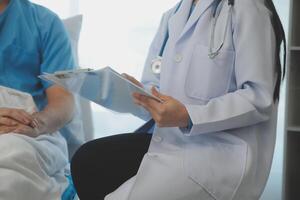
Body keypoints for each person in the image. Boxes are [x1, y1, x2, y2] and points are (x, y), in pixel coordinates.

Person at [71, 0, 286, 199]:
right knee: (88, 160)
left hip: (218, 153)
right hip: (170, 142)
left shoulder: (248, 8)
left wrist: (188, 116)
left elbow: (259, 97)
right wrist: (133, 92)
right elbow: (155, 90)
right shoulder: (173, 16)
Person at [0, 0, 76, 199]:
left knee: (12, 156)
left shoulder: (45, 23)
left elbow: (64, 102)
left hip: (28, 132)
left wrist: (37, 124)